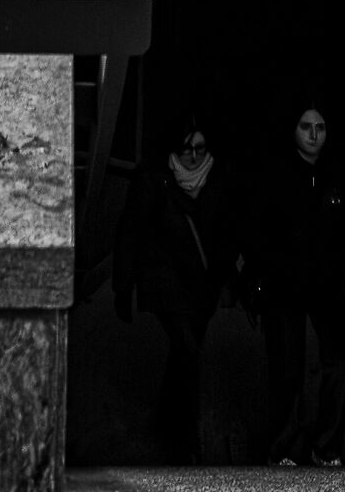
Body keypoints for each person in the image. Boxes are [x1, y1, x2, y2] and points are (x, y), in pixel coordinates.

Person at [113, 114, 238, 462]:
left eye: (200, 148)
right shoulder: (154, 178)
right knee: (187, 350)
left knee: (185, 352)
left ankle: (167, 420)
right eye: (186, 149)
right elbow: (131, 231)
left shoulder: (218, 178)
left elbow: (227, 233)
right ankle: (184, 440)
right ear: (173, 149)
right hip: (164, 280)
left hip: (203, 284)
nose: (194, 156)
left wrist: (230, 277)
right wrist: (123, 286)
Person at [250, 98, 345, 468]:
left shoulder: (337, 172)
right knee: (287, 367)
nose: (314, 135)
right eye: (306, 127)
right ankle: (283, 448)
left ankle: (326, 447)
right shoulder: (275, 174)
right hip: (285, 285)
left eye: (320, 128)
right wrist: (271, 272)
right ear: (293, 130)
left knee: (341, 361)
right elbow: (258, 230)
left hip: (328, 283)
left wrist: (337, 262)